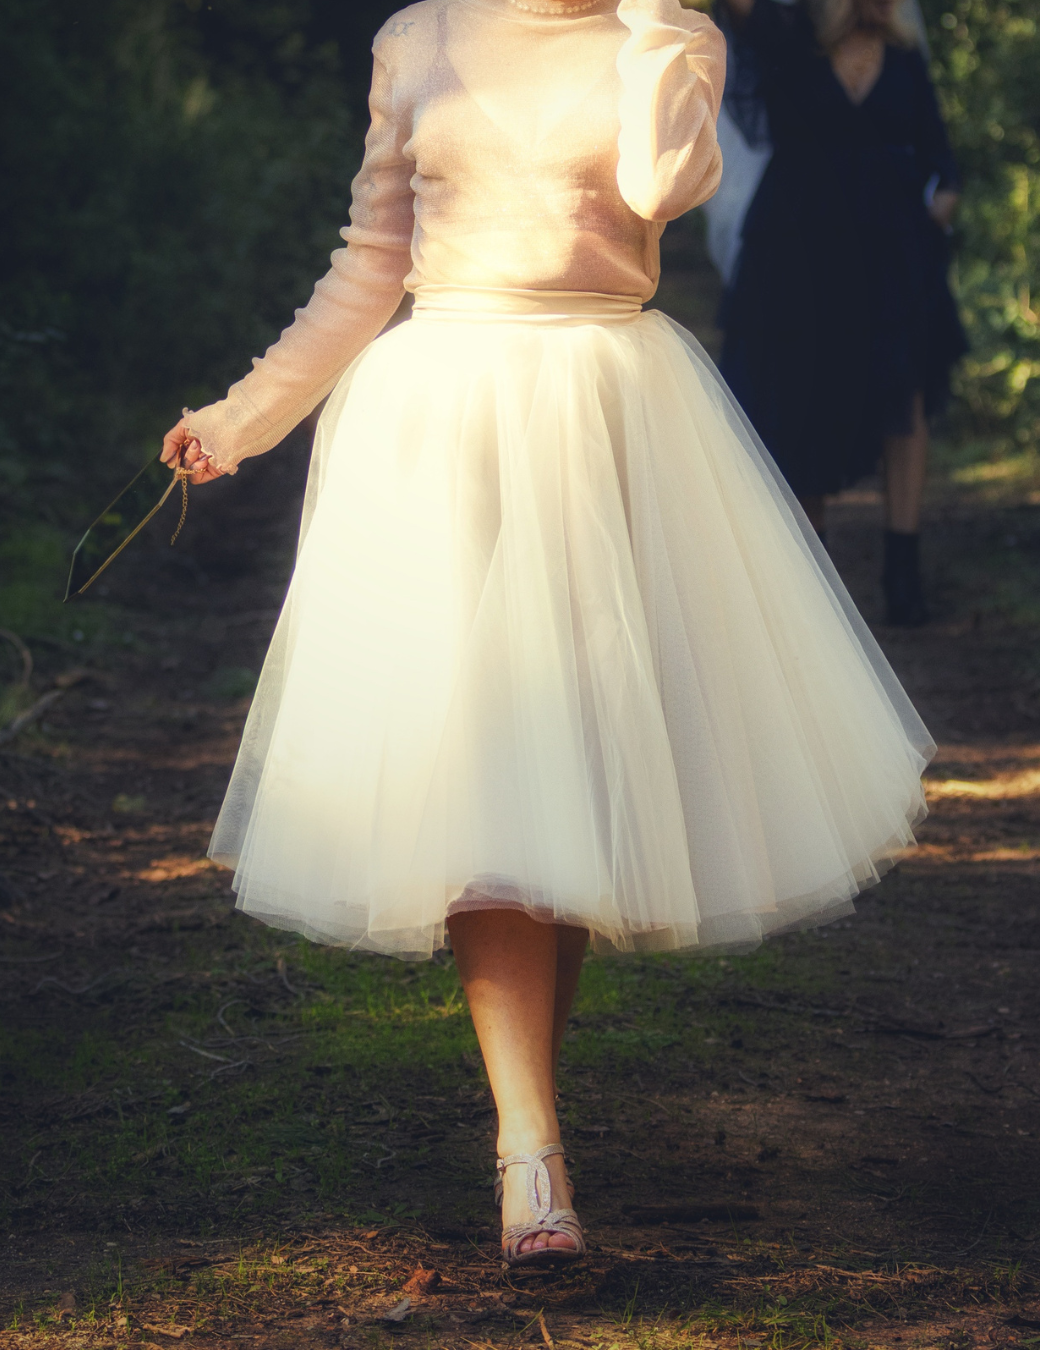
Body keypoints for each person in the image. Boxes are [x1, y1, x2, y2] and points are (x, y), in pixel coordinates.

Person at [160, 0, 933, 1266]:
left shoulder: (670, 37)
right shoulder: (420, 39)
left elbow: (662, 185)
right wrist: (243, 417)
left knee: (562, 778)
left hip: (607, 415)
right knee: (487, 775)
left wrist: (657, 24)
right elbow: (370, 264)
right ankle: (531, 1152)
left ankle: (533, 1122)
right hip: (444, 427)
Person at [717, 0, 967, 625]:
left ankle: (903, 575)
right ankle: (816, 583)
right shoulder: (789, 42)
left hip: (891, 256)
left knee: (905, 395)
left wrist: (943, 202)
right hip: (801, 259)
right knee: (806, 398)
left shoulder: (905, 59)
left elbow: (941, 155)